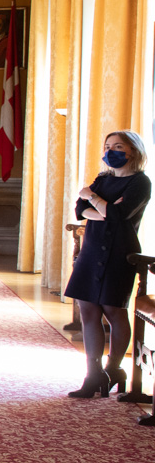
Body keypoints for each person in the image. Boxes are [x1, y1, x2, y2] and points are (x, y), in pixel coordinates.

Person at [63, 132, 151, 400]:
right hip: (91, 250)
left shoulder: (140, 182)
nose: (111, 151)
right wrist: (100, 207)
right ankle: (93, 375)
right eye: (107, 147)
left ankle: (114, 369)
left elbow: (120, 215)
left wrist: (93, 198)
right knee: (88, 310)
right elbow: (80, 210)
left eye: (118, 147)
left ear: (132, 151)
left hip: (120, 252)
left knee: (114, 311)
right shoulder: (103, 179)